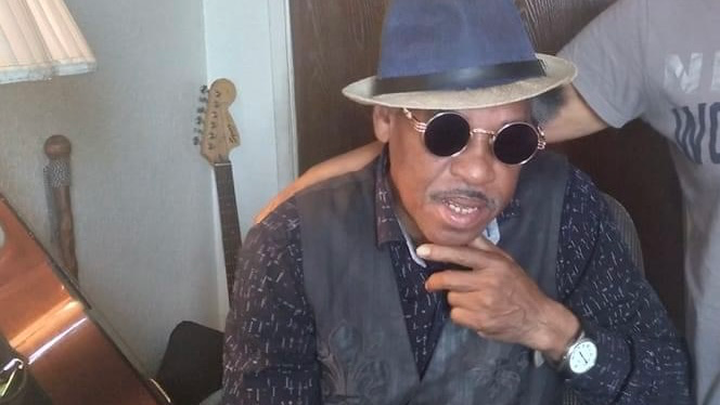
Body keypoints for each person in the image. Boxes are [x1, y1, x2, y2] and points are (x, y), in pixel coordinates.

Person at [223, 0, 691, 404]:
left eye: (511, 140)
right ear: (384, 119)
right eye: (446, 132)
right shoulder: (290, 244)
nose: (478, 171)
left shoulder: (566, 209)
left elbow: (668, 387)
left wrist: (550, 328)